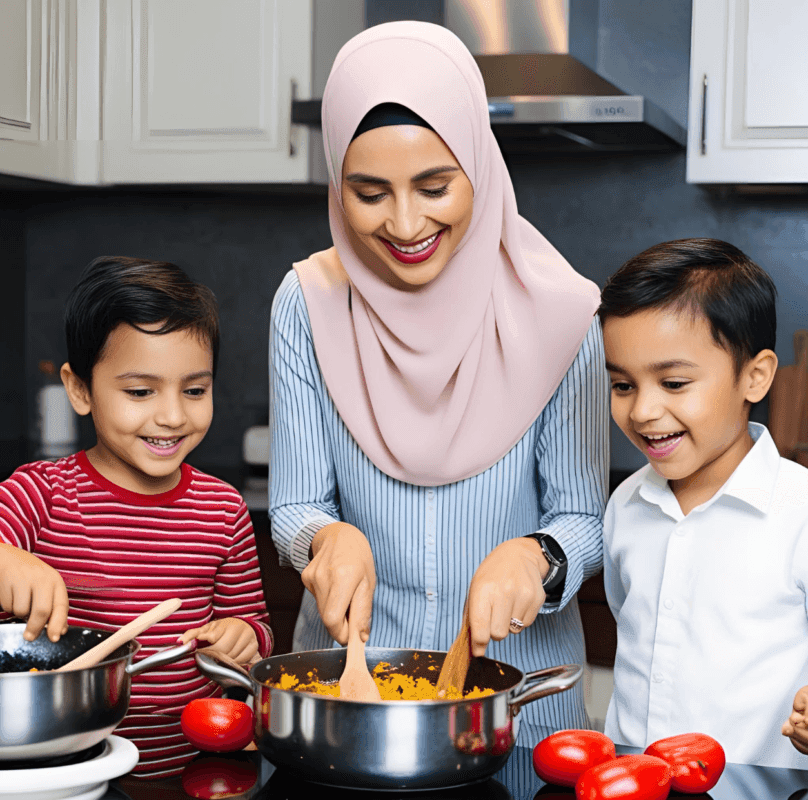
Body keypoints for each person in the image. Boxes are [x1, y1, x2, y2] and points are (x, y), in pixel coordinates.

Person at [269, 20, 608, 745]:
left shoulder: (564, 312)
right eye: (368, 192)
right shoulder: (305, 303)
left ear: (478, 167)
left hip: (519, 710)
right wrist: (324, 540)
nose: (405, 222)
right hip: (343, 701)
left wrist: (538, 556)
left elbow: (585, 518)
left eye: (434, 185)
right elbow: (296, 503)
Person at [0, 256, 272, 778]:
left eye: (194, 390)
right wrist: (8, 558)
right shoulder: (41, 493)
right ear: (80, 389)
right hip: (66, 764)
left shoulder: (223, 509)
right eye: (140, 392)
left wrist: (244, 635)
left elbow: (256, 625)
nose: (172, 415)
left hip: (191, 769)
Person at [600, 237, 808, 768]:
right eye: (622, 385)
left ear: (755, 377)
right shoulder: (626, 505)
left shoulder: (799, 513)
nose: (644, 410)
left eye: (673, 382)